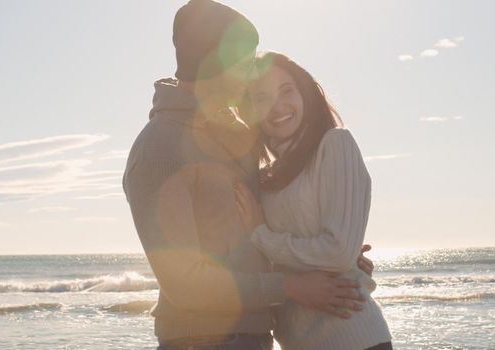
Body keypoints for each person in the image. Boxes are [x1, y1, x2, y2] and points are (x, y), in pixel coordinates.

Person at [123, 1, 375, 349]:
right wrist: (292, 285)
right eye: (244, 63)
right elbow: (184, 283)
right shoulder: (158, 150)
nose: (252, 74)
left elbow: (253, 236)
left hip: (257, 336)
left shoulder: (237, 134)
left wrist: (327, 257)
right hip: (198, 339)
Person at [234, 51, 393, 350]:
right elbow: (255, 262)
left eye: (287, 91)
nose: (278, 106)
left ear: (304, 92)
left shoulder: (335, 144)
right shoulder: (265, 178)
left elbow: (337, 253)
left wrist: (261, 234)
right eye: (262, 98)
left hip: (353, 338)